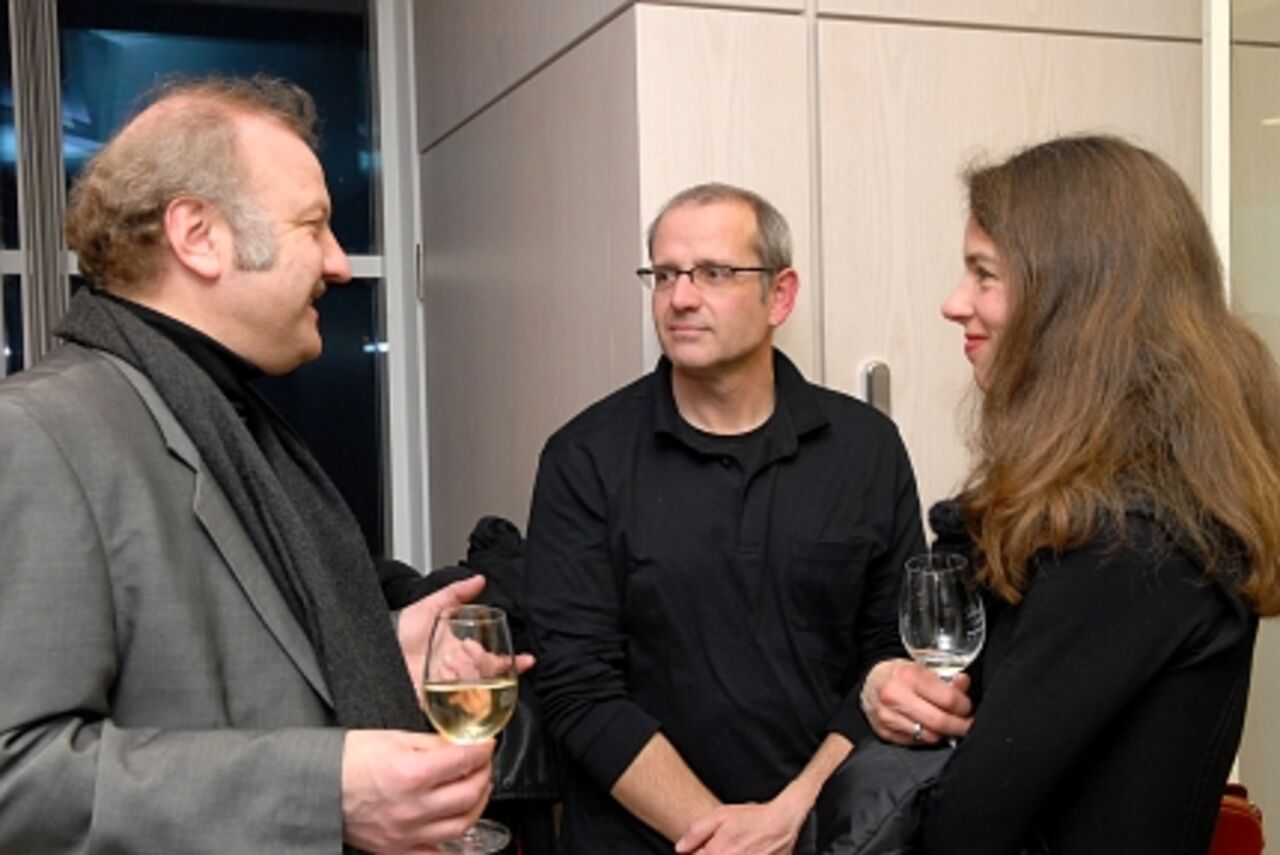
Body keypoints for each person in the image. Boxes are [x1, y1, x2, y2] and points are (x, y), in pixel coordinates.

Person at [0, 75, 502, 854]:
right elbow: (16, 779)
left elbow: (242, 647)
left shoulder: (230, 417)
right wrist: (325, 789)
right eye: (315, 226)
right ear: (198, 235)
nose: (339, 265)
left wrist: (373, 641)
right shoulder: (38, 431)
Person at [872, 134, 1280, 853]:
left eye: (984, 274)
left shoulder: (1132, 548)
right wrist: (890, 690)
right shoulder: (1110, 506)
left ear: (1075, 305)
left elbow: (963, 829)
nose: (953, 302)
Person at [523, 182, 939, 853]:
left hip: (827, 834)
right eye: (664, 275)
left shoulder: (867, 448)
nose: (681, 297)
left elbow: (889, 660)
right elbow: (578, 686)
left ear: (780, 295)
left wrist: (790, 818)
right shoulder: (584, 457)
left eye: (714, 273)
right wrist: (718, 838)